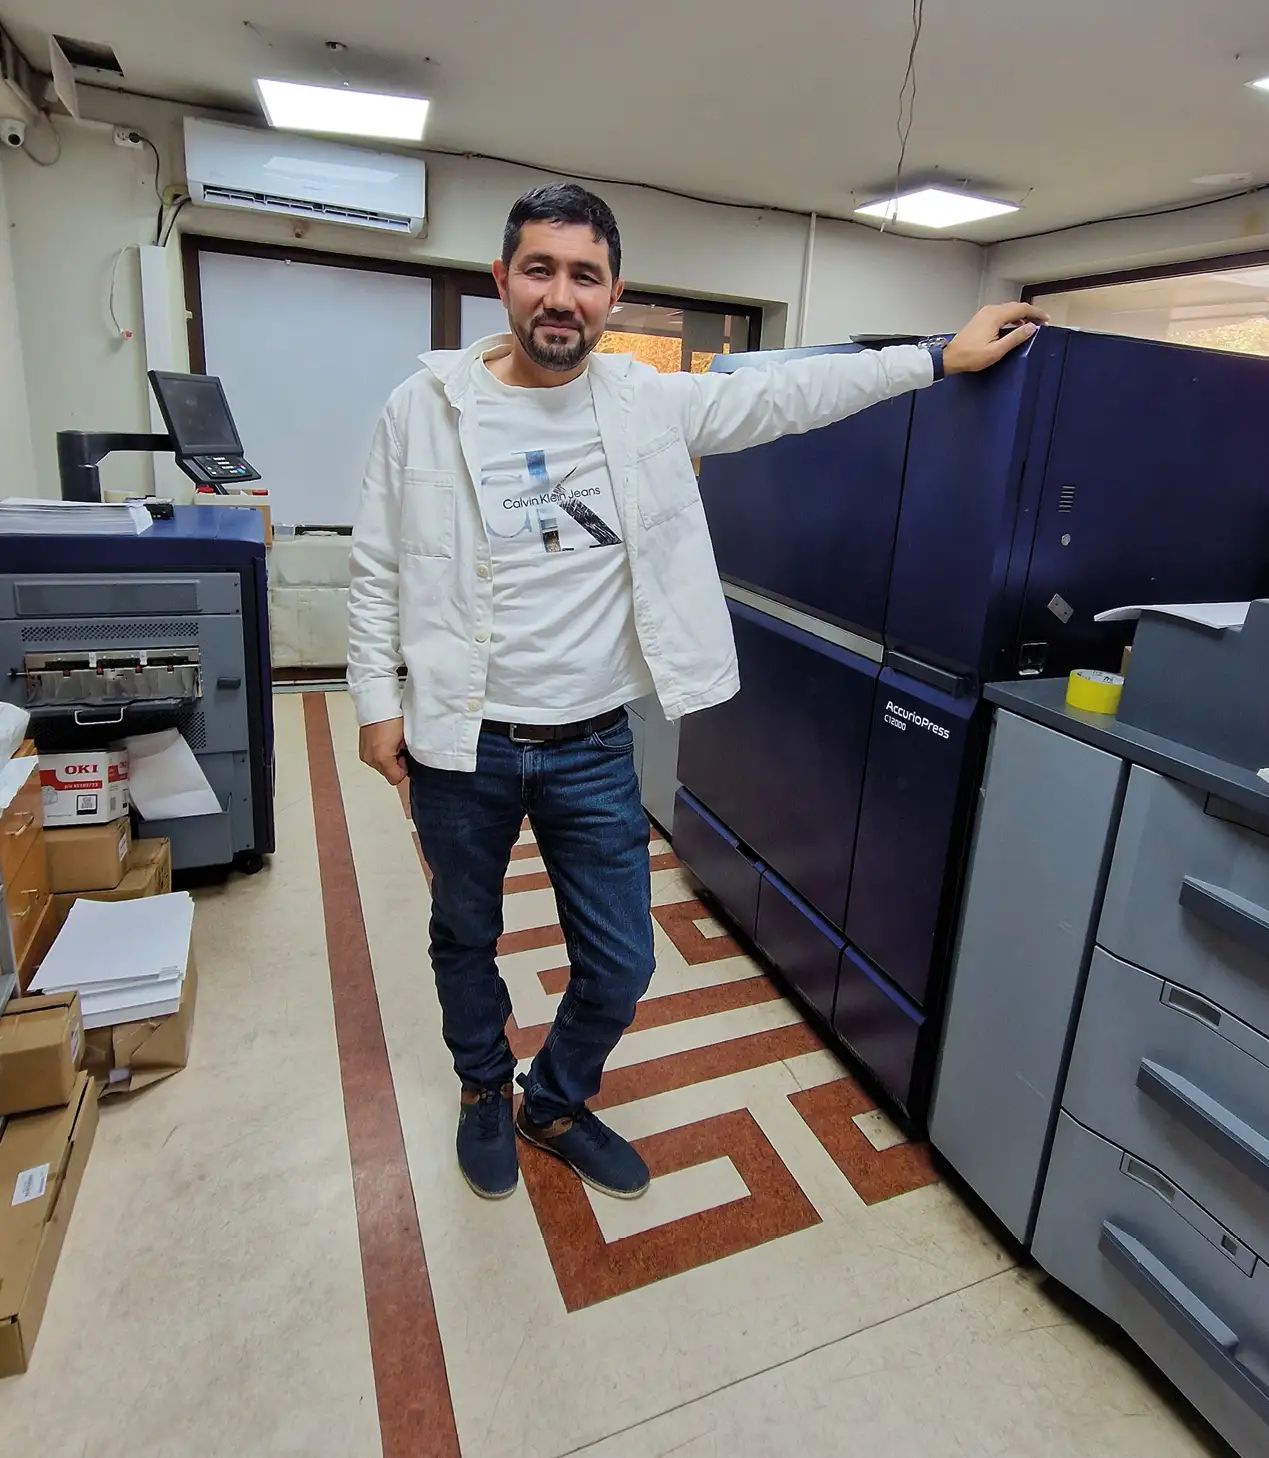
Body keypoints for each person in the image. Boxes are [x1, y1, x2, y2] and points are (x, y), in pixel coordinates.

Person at [348, 181, 1046, 1203]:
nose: (561, 295)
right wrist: (376, 703)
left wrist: (938, 356)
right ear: (502, 280)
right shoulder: (424, 407)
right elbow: (376, 567)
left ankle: (554, 1098)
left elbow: (792, 395)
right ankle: (483, 1089)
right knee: (465, 933)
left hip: (591, 741)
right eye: (539, 269)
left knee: (623, 962)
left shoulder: (647, 404)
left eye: (585, 276)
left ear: (613, 292)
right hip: (463, 739)